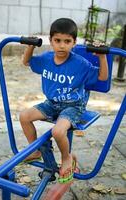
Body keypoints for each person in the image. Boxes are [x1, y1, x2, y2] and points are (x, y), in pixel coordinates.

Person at [20, 18, 108, 183]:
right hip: (52, 103)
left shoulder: (80, 63)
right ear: (50, 41)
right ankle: (36, 150)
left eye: (67, 41)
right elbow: (26, 62)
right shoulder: (47, 58)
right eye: (57, 41)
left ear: (74, 42)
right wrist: (30, 46)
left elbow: (102, 77)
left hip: (73, 106)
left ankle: (66, 158)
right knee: (24, 116)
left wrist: (102, 57)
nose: (62, 45)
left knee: (58, 131)